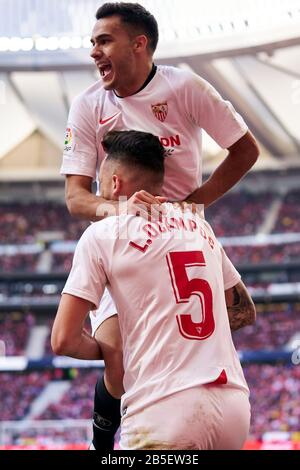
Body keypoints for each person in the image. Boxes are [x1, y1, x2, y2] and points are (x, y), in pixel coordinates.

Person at [60, 2, 259, 450]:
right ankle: (104, 440)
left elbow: (245, 150)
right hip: (125, 240)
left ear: (139, 43)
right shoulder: (88, 104)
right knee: (118, 359)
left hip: (186, 235)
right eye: (92, 42)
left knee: (232, 320)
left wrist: (192, 203)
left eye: (104, 40)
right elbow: (75, 196)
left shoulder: (185, 87)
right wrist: (123, 211)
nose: (94, 51)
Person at [53, 130, 256, 450]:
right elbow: (244, 311)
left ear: (115, 184)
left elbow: (63, 339)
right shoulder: (199, 226)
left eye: (100, 185)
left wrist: (118, 349)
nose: (98, 193)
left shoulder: (103, 234)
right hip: (233, 407)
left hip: (164, 411)